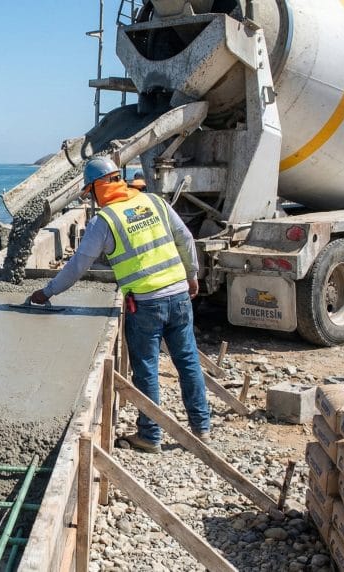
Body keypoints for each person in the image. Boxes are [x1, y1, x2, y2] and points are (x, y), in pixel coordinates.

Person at [30, 157, 210, 453]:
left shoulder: (106, 220)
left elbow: (78, 266)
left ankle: (150, 436)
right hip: (178, 295)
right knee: (188, 361)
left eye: (91, 192)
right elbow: (186, 238)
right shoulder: (154, 202)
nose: (92, 199)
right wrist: (191, 275)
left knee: (146, 369)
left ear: (98, 187)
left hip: (146, 303)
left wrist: (48, 292)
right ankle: (201, 428)